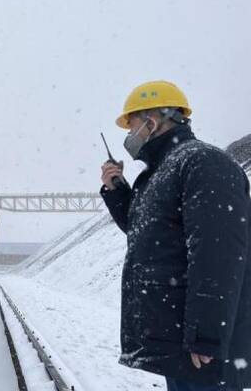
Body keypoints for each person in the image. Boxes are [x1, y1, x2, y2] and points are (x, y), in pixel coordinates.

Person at [100, 80, 251, 391]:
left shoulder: (202, 163)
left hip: (205, 350)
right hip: (181, 342)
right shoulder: (160, 173)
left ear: (152, 121)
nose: (129, 136)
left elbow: (218, 254)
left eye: (133, 126)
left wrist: (207, 336)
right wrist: (117, 191)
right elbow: (147, 235)